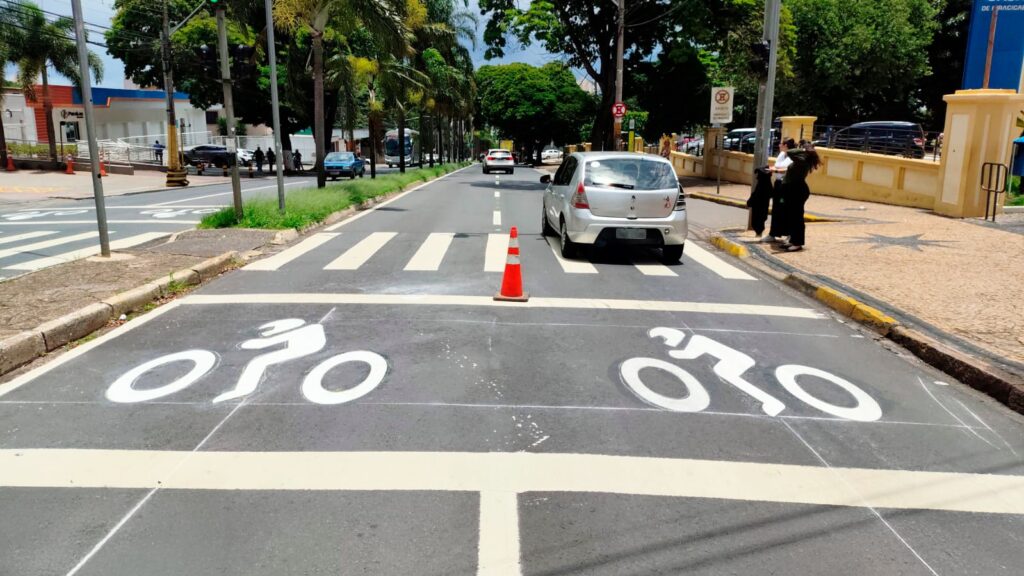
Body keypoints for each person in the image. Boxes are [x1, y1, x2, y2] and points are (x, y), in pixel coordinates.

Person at [778, 141, 822, 252]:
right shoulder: (801, 160)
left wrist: (803, 149)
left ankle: (797, 242)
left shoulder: (802, 160)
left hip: (797, 190)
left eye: (801, 148)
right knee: (792, 217)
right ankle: (793, 240)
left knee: (796, 218)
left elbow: (790, 152)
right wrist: (804, 149)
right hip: (792, 189)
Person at [764, 138, 796, 242]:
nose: (779, 145)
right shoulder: (781, 154)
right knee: (776, 208)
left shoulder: (792, 156)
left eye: (781, 143)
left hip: (786, 184)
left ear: (786, 145)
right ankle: (773, 233)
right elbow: (777, 166)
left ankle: (789, 234)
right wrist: (771, 168)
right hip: (778, 183)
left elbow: (787, 169)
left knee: (786, 208)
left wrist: (776, 170)